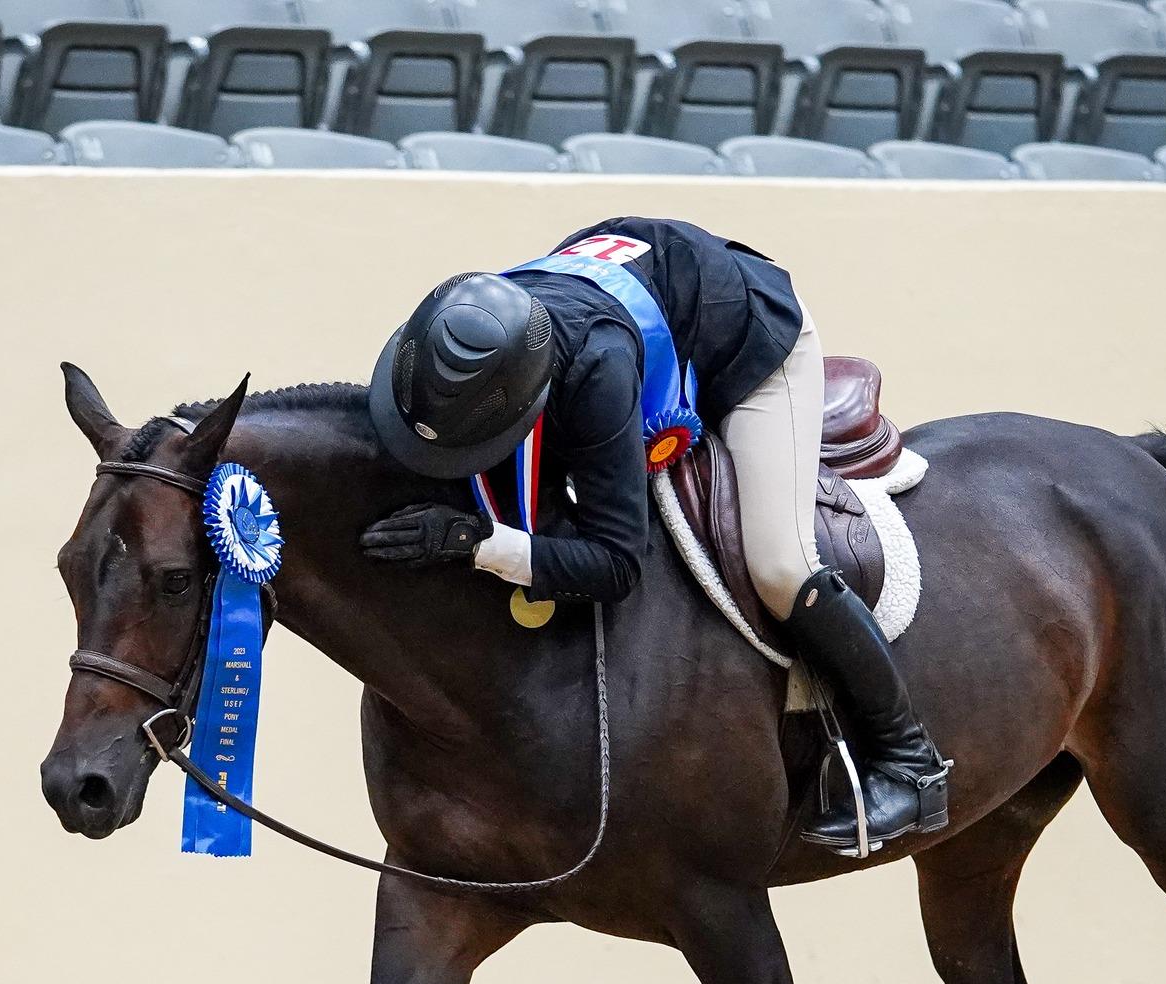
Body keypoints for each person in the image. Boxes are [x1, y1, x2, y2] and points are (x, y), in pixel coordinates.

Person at [362, 217, 951, 852]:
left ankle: (910, 761)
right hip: (636, 286)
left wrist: (480, 545)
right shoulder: (454, 333)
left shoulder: (597, 374)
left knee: (781, 565)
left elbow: (617, 566)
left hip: (752, 336)